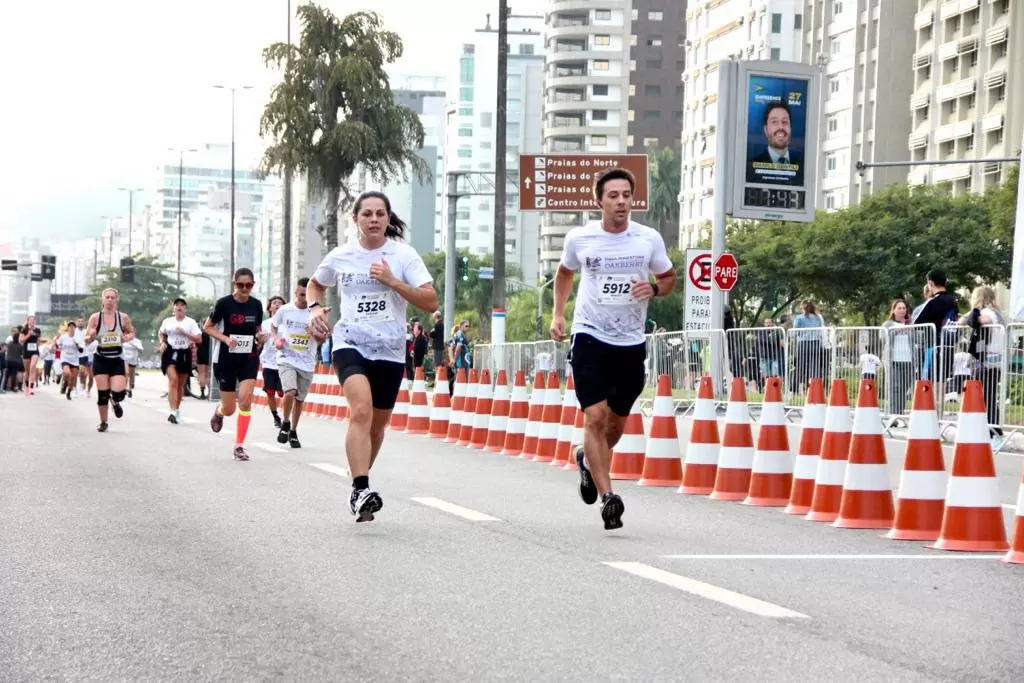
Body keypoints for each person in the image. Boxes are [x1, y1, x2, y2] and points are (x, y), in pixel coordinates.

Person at [550, 167, 676, 531]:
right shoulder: (581, 238)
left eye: (626, 195)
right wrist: (559, 315)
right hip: (590, 336)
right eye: (613, 196)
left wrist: (653, 289)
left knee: (615, 425)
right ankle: (609, 498)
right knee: (595, 416)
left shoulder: (647, 238)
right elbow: (564, 273)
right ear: (599, 201)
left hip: (631, 342)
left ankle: (587, 460)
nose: (621, 202)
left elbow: (668, 279)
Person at [307, 190, 438, 522]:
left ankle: (357, 487)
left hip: (391, 349)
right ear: (356, 220)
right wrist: (312, 311)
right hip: (350, 342)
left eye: (381, 213)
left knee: (377, 428)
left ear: (389, 218)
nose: (374, 219)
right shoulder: (341, 256)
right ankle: (363, 485)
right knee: (361, 411)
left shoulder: (403, 256)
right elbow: (315, 284)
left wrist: (393, 281)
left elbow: (430, 301)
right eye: (367, 214)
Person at [204, 268, 265, 461]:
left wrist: (260, 337)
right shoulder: (224, 304)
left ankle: (239, 445)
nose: (245, 288)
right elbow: (208, 327)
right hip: (226, 359)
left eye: (249, 285)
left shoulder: (256, 305)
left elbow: (256, 328)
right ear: (234, 283)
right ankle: (220, 411)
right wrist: (226, 339)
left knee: (246, 400)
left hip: (249, 357)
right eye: (241, 285)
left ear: (253, 285)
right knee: (230, 409)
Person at [84, 288, 137, 432]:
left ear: (116, 300)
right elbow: (86, 340)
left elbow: (132, 331)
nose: (109, 300)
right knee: (102, 394)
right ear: (102, 300)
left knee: (119, 392)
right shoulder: (95, 318)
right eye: (107, 297)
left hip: (117, 358)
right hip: (101, 358)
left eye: (112, 298)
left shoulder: (123, 318)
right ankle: (103, 422)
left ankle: (115, 400)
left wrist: (126, 337)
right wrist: (92, 336)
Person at [272, 279, 317, 448]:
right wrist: (276, 340)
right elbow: (273, 327)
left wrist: (315, 333)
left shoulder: (315, 312)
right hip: (286, 358)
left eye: (308, 295)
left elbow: (323, 337)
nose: (304, 298)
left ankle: (293, 431)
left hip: (306, 361)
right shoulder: (285, 310)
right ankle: (285, 423)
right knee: (289, 392)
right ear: (296, 293)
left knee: (299, 399)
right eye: (301, 294)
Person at [159, 298, 203, 424]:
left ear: (185, 309)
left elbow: (199, 339)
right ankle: (172, 411)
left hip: (184, 353)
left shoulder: (190, 323)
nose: (179, 307)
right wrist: (162, 342)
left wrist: (185, 333)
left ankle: (176, 410)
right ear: (173, 308)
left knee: (180, 384)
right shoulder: (167, 321)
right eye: (177, 305)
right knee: (173, 380)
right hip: (171, 352)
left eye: (182, 305)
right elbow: (161, 332)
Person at [745, 101, 804, 186]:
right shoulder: (751, 168)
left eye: (785, 122)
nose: (781, 127)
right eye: (774, 122)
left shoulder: (802, 168)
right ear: (765, 129)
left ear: (790, 128)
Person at [260, 295, 287, 428]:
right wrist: (260, 339)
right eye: (275, 303)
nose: (277, 305)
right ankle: (276, 416)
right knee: (270, 391)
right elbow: (258, 342)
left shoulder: (287, 322)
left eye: (280, 303)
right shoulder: (264, 324)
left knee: (283, 392)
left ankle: (286, 415)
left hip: (285, 361)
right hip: (268, 362)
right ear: (270, 307)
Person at [57, 321, 82, 400]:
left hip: (74, 360)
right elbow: (58, 344)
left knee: (72, 378)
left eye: (73, 327)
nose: (71, 328)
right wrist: (59, 347)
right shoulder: (63, 337)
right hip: (65, 358)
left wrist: (77, 344)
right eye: (70, 326)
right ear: (67, 328)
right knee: (68, 374)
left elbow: (81, 350)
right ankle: (64, 383)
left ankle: (69, 392)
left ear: (75, 328)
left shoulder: (78, 338)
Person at [19, 315, 41, 394]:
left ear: (35, 321)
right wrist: (28, 335)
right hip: (26, 351)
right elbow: (21, 341)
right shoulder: (24, 330)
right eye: (31, 320)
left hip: (35, 351)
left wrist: (39, 340)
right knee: (27, 371)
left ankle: (32, 387)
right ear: (28, 321)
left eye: (34, 320)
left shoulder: (38, 330)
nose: (32, 321)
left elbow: (38, 342)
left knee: (32, 367)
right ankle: (27, 387)